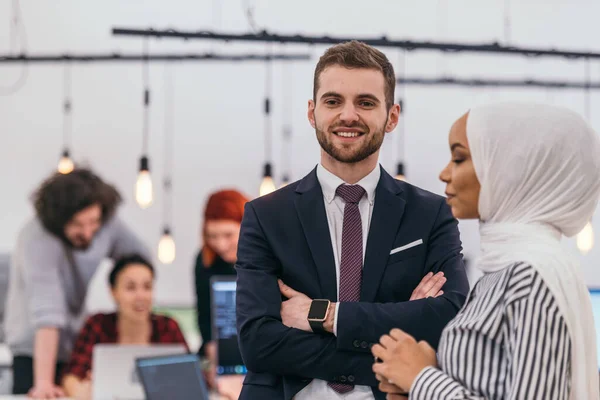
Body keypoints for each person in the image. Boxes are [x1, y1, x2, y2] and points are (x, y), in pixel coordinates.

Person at [235, 40, 470, 400]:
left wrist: (324, 316)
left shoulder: (431, 214)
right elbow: (258, 343)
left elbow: (447, 322)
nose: (348, 115)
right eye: (333, 101)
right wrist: (398, 331)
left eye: (365, 102)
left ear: (392, 116)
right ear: (312, 112)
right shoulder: (266, 216)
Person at [372, 103, 600, 399]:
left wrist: (421, 379)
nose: (444, 173)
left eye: (459, 158)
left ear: (509, 168)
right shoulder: (501, 270)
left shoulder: (530, 276)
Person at [3, 168, 150, 398]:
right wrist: (43, 383)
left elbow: (140, 259)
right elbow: (48, 313)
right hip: (34, 350)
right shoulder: (37, 238)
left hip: (74, 345)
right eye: (77, 224)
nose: (88, 232)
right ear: (58, 221)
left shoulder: (106, 223)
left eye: (93, 222)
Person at [61, 254, 189, 398]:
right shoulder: (98, 325)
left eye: (147, 287)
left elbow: (192, 378)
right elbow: (71, 376)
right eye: (130, 288)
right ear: (113, 292)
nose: (141, 296)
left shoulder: (167, 327)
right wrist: (81, 391)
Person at [194, 189, 249, 388]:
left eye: (228, 235)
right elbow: (206, 320)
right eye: (212, 236)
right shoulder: (205, 262)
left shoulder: (271, 259)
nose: (221, 244)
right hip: (223, 358)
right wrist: (217, 365)